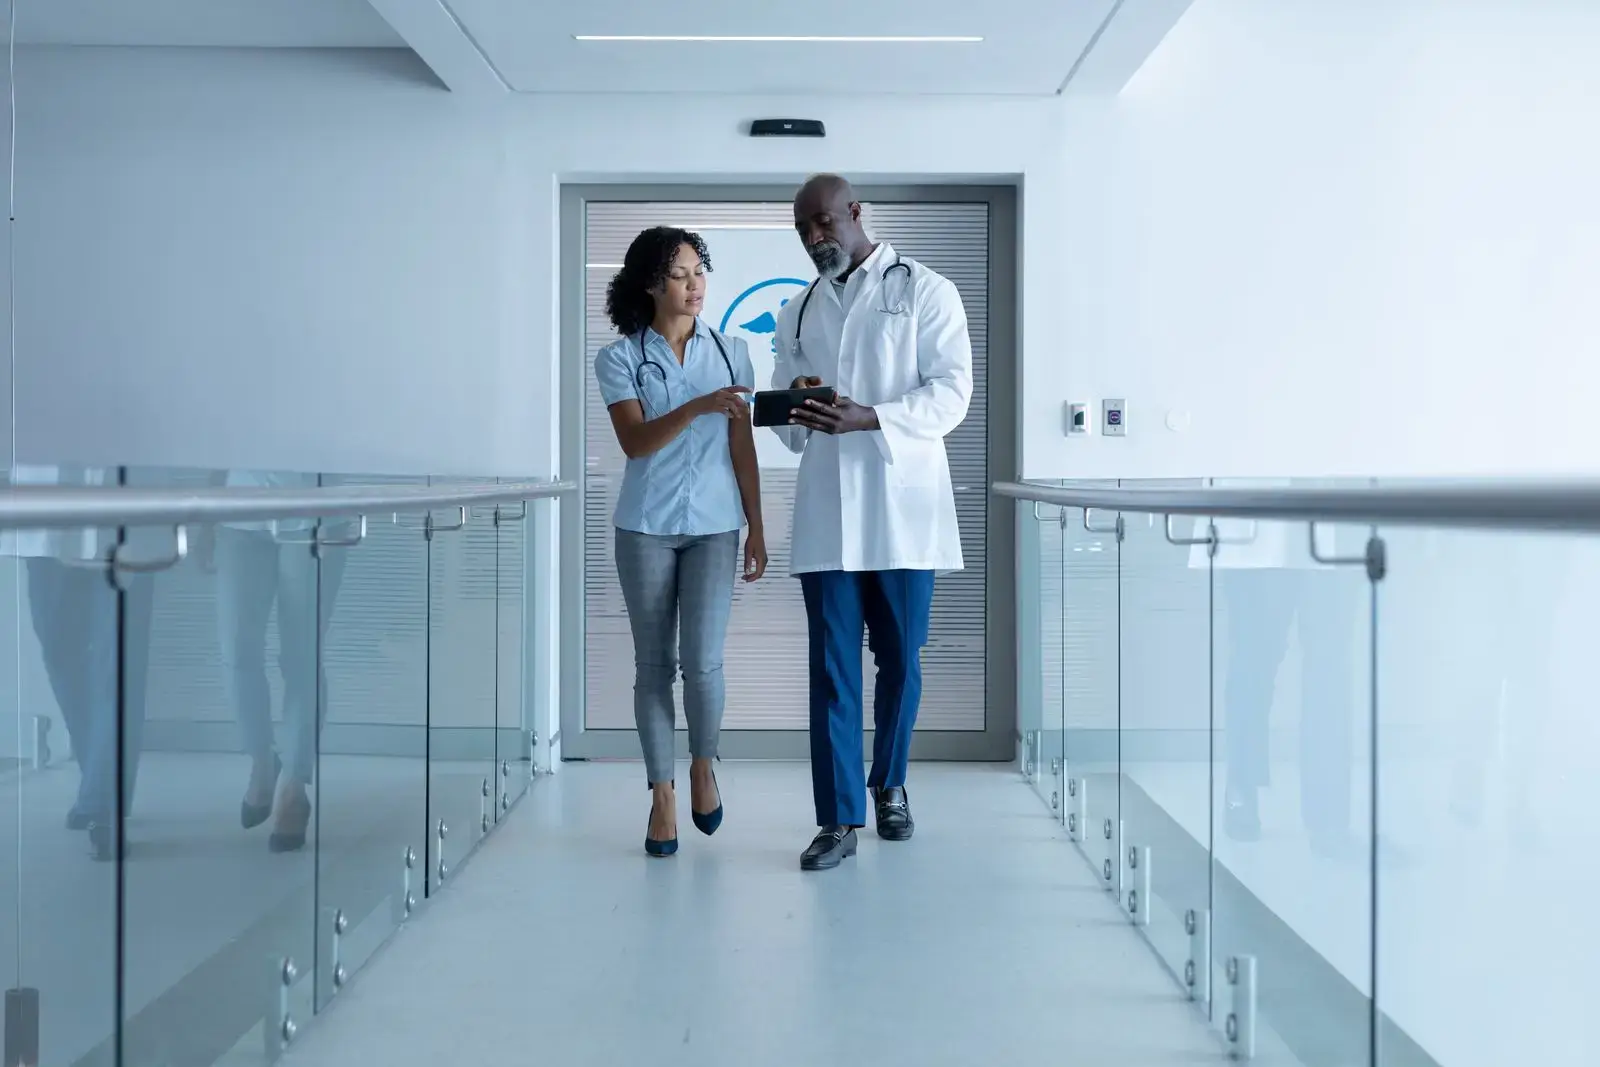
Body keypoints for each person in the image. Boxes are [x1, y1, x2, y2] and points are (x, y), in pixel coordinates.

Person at [770, 175, 973, 871]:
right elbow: (790, 428)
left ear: (855, 213)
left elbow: (953, 393)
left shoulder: (924, 289)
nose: (815, 238)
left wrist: (872, 416)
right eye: (804, 230)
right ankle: (836, 819)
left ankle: (889, 782)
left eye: (824, 222)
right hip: (828, 510)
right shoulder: (796, 310)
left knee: (900, 658)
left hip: (902, 507)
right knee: (831, 671)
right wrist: (794, 407)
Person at [594, 226, 767, 858]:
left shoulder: (732, 353)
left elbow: (742, 445)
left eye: (700, 271)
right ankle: (661, 792)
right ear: (650, 284)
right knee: (653, 666)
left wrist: (758, 525)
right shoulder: (619, 358)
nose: (695, 285)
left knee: (703, 661)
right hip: (645, 527)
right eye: (681, 274)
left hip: (716, 527)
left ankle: (702, 765)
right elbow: (635, 444)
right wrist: (696, 407)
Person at [211, 470, 349, 853]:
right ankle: (262, 760)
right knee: (237, 648)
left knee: (301, 655)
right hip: (240, 512)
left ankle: (294, 785)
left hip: (316, 512)